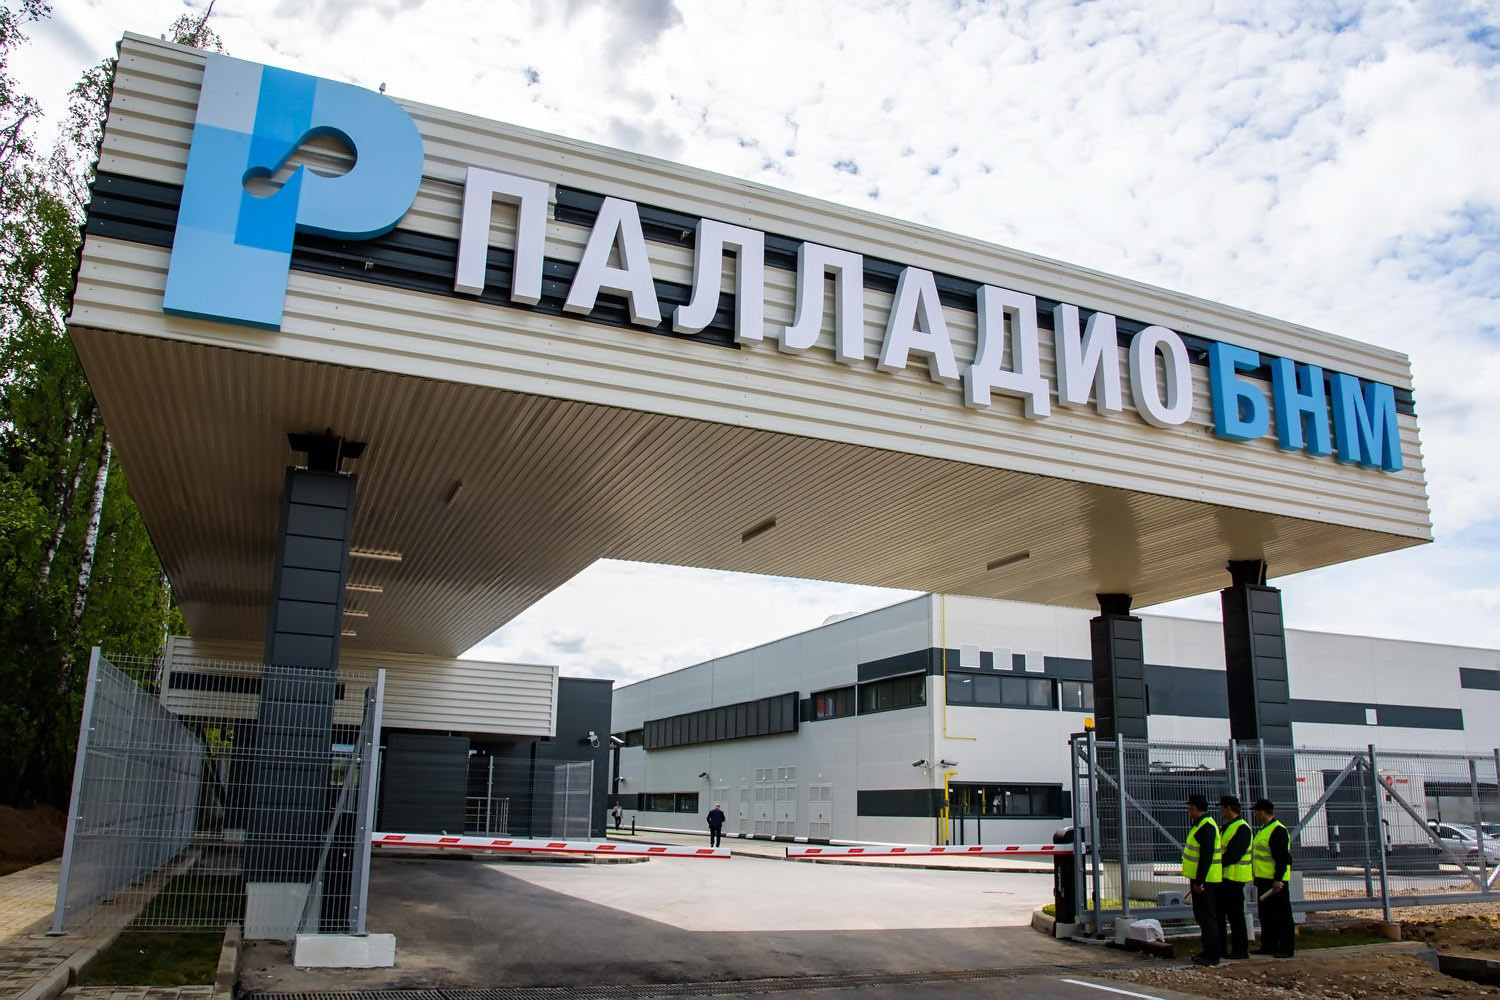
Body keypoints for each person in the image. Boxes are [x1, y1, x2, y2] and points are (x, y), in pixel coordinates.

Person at [1182, 793, 1223, 966]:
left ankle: (1212, 954)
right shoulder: (1201, 825)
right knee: (1202, 917)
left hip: (1206, 881)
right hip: (1202, 879)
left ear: (1193, 808)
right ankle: (1207, 950)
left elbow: (1206, 856)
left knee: (1207, 917)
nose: (1188, 811)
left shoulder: (1206, 826)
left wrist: (1199, 881)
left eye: (1189, 808)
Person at [1252, 798, 1295, 958]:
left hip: (1275, 881)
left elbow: (1282, 858)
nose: (1255, 814)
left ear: (1263, 812)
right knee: (1266, 915)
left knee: (1281, 915)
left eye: (1256, 811)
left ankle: (1286, 948)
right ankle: (1269, 945)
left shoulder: (1277, 830)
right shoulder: (1264, 829)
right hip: (1264, 879)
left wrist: (1278, 879)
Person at [1217, 795, 1252, 959]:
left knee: (1235, 916)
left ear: (1228, 808)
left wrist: (1216, 865)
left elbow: (1234, 854)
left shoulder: (1242, 828)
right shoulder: (1227, 827)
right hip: (1223, 878)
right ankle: (1222, 948)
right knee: (1220, 915)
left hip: (1235, 879)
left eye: (1222, 807)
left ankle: (1240, 950)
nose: (1221, 811)